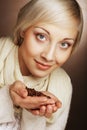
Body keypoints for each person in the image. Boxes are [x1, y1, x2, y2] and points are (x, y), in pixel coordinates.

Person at [0, 0, 83, 130]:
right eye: (41, 36)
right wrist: (8, 97)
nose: (49, 56)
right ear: (23, 29)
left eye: (64, 44)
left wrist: (34, 113)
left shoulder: (62, 86)